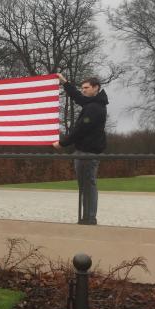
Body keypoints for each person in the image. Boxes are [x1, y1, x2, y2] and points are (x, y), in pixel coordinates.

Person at [52, 74, 108, 225]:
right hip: (85, 152)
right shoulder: (92, 103)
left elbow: (80, 130)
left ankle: (89, 219)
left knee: (88, 186)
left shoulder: (95, 108)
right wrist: (65, 83)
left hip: (88, 153)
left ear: (96, 88)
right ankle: (87, 217)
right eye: (82, 88)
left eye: (86, 88)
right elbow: (78, 97)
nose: (83, 91)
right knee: (85, 186)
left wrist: (62, 143)